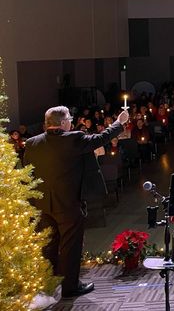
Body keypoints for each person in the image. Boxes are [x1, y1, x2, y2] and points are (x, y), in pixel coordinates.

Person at [23, 106, 129, 298]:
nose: (71, 122)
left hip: (42, 205)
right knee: (70, 246)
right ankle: (70, 287)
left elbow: (29, 174)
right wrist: (119, 123)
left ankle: (49, 282)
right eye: (69, 119)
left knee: (49, 246)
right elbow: (100, 139)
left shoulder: (31, 143)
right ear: (63, 123)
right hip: (69, 204)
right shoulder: (73, 138)